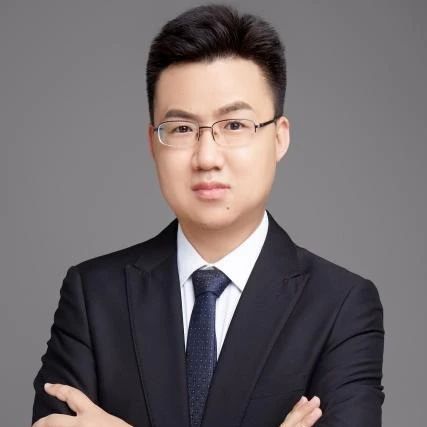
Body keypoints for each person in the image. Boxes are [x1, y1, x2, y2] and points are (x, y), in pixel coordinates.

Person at [32, 4, 384, 427]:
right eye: (181, 129)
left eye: (234, 125)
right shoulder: (93, 296)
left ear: (279, 138)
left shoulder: (341, 305)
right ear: (153, 143)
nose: (206, 157)